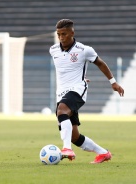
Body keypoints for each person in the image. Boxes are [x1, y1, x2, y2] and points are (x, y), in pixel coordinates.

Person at [49, 19, 124, 164]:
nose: (61, 37)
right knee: (74, 136)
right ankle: (103, 153)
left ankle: (66, 149)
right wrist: (81, 76)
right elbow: (67, 69)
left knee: (62, 111)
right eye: (58, 34)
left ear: (72, 33)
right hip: (62, 93)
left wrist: (113, 82)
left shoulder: (84, 50)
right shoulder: (53, 50)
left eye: (64, 34)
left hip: (78, 89)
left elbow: (100, 63)